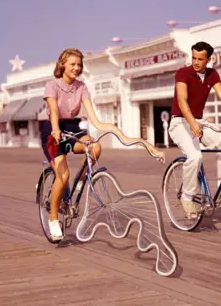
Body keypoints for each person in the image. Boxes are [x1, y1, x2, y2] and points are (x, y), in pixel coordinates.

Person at [41, 47, 164, 241]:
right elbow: (54, 110)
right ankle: (54, 220)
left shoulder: (82, 87)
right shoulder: (52, 85)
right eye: (72, 64)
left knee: (95, 148)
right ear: (62, 64)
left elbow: (96, 121)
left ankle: (80, 184)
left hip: (73, 128)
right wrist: (55, 129)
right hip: (53, 131)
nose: (76, 68)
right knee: (62, 176)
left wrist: (124, 135)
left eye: (79, 65)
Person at [169, 41, 221, 218]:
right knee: (195, 156)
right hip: (179, 122)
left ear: (208, 59)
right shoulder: (183, 73)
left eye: (200, 59)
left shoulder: (212, 74)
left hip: (199, 121)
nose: (196, 62)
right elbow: (182, 101)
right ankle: (187, 197)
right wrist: (192, 123)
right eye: (194, 58)